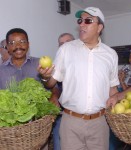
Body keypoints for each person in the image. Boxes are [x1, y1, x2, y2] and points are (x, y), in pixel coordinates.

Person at [38, 7, 119, 150]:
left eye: (88, 21)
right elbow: (51, 83)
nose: (82, 24)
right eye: (80, 20)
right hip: (71, 123)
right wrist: (45, 77)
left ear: (99, 27)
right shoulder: (66, 49)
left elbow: (112, 89)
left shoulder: (111, 54)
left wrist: (119, 105)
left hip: (100, 123)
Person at [0, 28, 60, 150]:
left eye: (22, 41)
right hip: (11, 131)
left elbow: (55, 87)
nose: (18, 46)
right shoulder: (1, 70)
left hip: (38, 127)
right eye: (12, 43)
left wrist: (54, 97)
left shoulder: (40, 64)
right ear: (7, 46)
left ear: (28, 44)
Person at [52, 33, 75, 150]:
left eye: (68, 42)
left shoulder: (84, 64)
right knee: (59, 145)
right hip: (61, 115)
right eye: (61, 44)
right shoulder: (55, 66)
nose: (64, 46)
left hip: (82, 116)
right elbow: (52, 86)